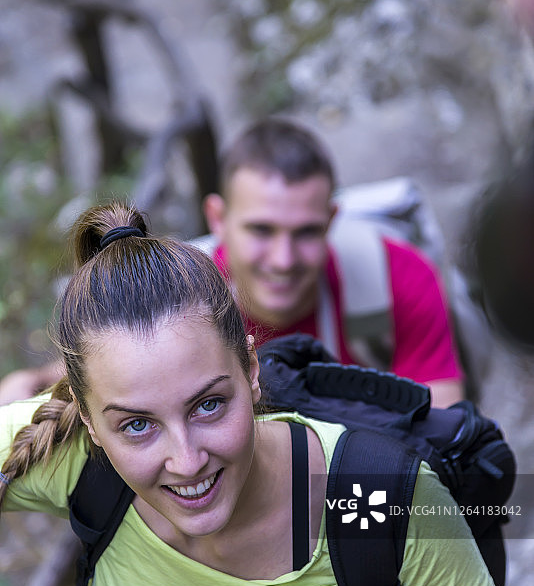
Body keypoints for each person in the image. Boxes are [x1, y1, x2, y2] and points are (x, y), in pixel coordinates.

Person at [1, 200, 534, 586]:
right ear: (89, 423)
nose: (186, 462)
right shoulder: (80, 462)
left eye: (209, 405)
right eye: (137, 425)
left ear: (252, 373)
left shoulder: (367, 495)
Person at [0, 119, 465, 409]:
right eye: (261, 231)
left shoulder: (394, 277)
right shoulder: (180, 292)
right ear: (218, 219)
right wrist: (38, 383)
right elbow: (126, 358)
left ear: (331, 222)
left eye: (305, 232)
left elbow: (441, 420)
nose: (283, 261)